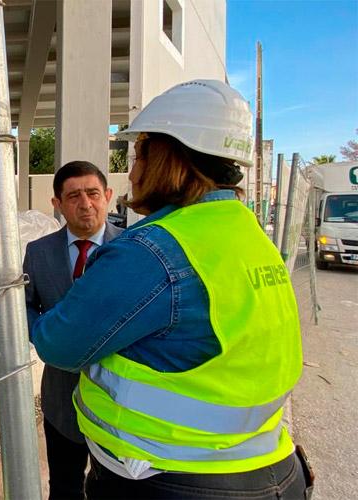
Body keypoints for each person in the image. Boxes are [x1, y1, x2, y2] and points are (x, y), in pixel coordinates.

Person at [31, 80, 311, 499]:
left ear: (164, 155)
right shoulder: (249, 236)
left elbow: (58, 345)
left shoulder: (151, 250)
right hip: (269, 466)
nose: (134, 169)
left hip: (171, 477)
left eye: (138, 152)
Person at [23, 161, 122, 499]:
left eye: (93, 193)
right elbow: (25, 304)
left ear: (107, 196)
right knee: (64, 485)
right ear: (57, 204)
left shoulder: (132, 250)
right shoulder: (38, 253)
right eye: (74, 195)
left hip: (120, 398)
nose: (86, 203)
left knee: (114, 487)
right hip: (61, 396)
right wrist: (44, 336)